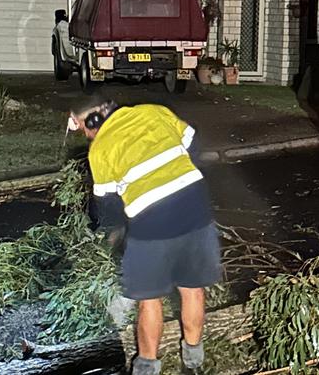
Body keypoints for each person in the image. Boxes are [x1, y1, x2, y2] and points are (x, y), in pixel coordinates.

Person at [69, 95, 222, 375]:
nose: (82, 133)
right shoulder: (155, 111)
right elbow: (194, 144)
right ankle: (194, 365)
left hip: (151, 221)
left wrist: (114, 236)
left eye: (78, 126)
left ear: (92, 121)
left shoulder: (100, 149)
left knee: (149, 299)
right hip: (195, 207)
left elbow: (108, 207)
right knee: (192, 289)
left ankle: (147, 368)